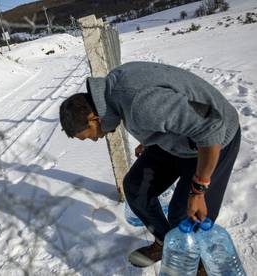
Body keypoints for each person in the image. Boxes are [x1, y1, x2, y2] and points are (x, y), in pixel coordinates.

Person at [59, 61, 240, 272]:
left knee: (183, 214)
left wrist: (198, 190)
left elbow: (211, 126)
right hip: (180, 139)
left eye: (88, 136)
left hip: (213, 141)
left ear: (94, 118)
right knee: (136, 189)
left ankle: (197, 262)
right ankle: (167, 243)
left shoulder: (140, 103)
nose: (95, 140)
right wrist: (149, 137)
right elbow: (166, 108)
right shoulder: (113, 94)